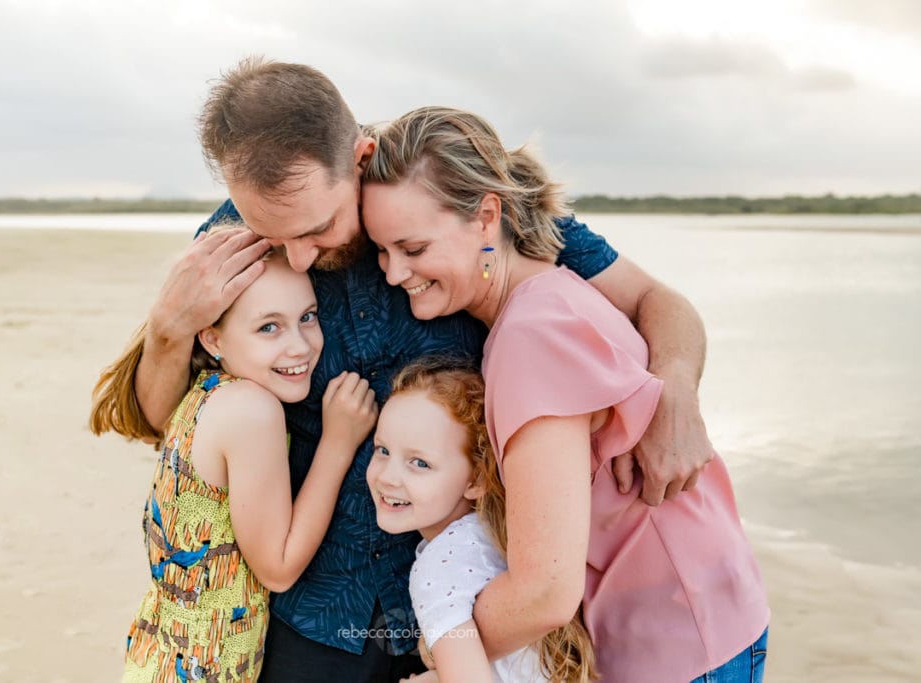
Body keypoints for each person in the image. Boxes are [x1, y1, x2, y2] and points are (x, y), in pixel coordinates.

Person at [105, 57, 714, 681]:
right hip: (309, 610)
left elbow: (656, 302)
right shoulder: (235, 239)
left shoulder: (456, 209)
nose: (295, 255)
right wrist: (167, 330)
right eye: (272, 232)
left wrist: (676, 397)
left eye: (318, 228)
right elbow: (173, 424)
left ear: (360, 157)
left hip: (462, 598)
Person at [360, 106, 770, 682]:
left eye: (414, 248)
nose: (395, 272)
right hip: (712, 613)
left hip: (673, 642)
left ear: (486, 219)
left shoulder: (530, 338)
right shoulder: (554, 293)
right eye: (382, 250)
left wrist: (442, 656)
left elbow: (545, 593)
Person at [90, 241, 378, 682]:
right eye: (269, 327)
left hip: (160, 658)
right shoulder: (251, 411)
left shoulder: (206, 392)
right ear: (212, 338)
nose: (300, 345)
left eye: (308, 316)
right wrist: (338, 443)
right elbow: (278, 569)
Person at [367, 356, 596, 683]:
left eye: (419, 463)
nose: (388, 477)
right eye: (383, 450)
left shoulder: (437, 569)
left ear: (475, 480)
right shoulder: (503, 535)